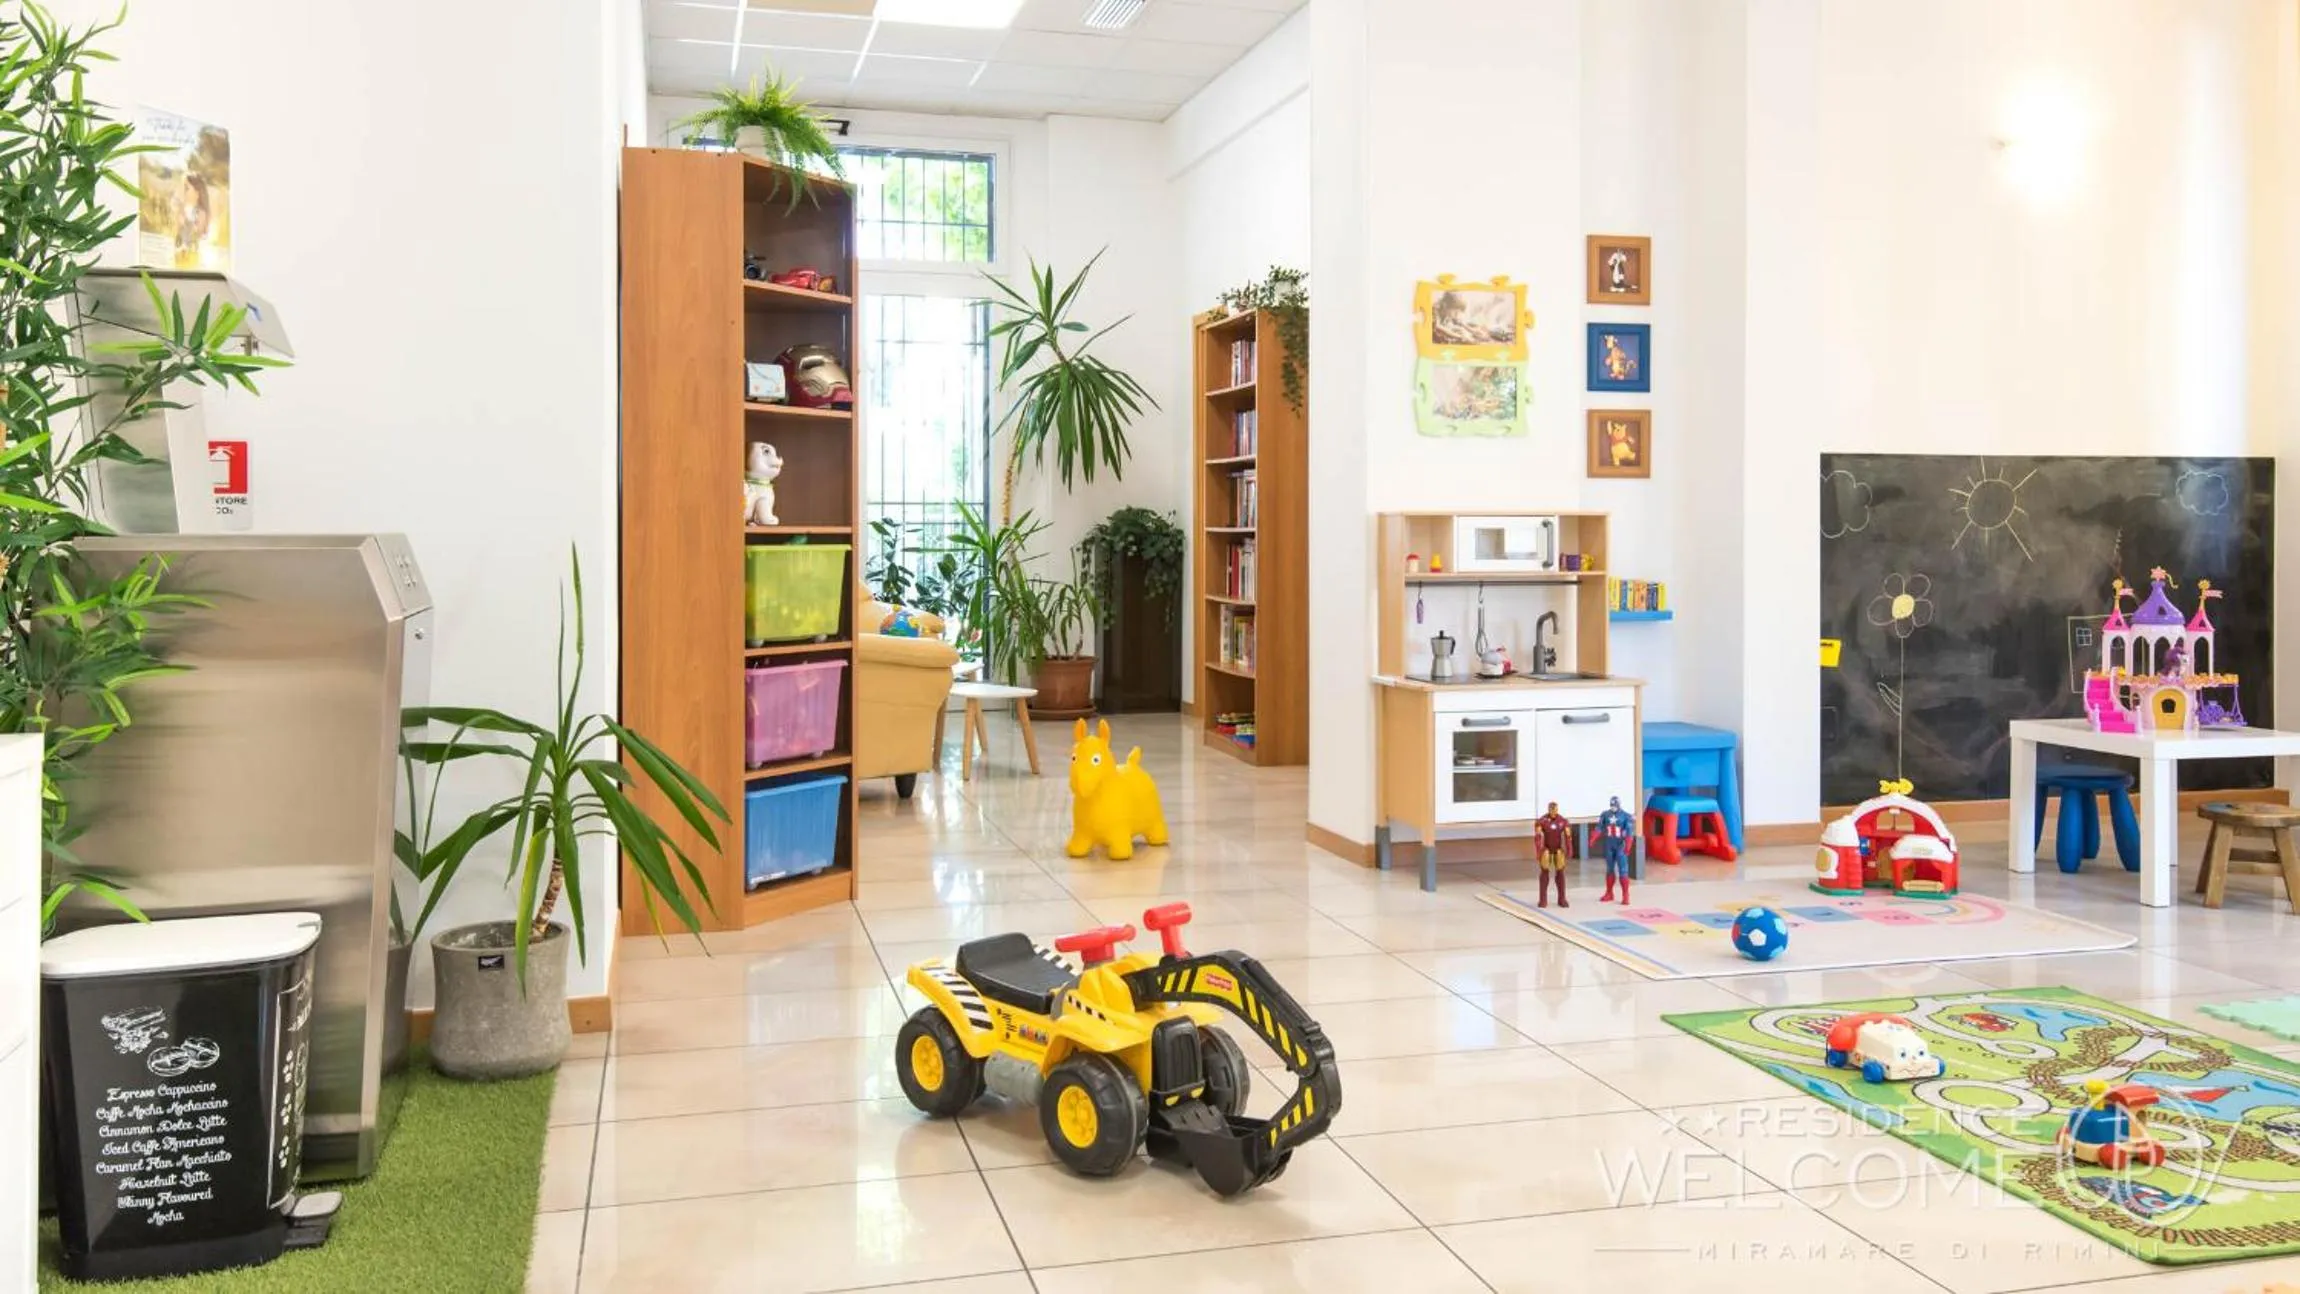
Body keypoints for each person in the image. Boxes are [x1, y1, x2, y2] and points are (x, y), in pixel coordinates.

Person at [1595, 795, 1637, 903]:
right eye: (1611, 805)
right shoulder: (1605, 814)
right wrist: (1593, 838)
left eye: (1614, 805)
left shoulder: (1626, 816)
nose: (1613, 807)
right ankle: (1609, 893)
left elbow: (1629, 832)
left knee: (1623, 870)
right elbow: (1599, 827)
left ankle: (1625, 895)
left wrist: (1628, 845)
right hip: (1609, 844)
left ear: (1618, 805)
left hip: (1620, 845)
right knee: (1609, 869)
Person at [1533, 802, 1572, 908]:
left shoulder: (1563, 821)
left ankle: (1562, 898)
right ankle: (1543, 899)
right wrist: (1538, 851)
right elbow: (1537, 837)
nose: (1553, 811)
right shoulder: (1542, 821)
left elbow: (1568, 837)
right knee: (1544, 871)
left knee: (1560, 872)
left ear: (1557, 809)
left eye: (1555, 809)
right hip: (1546, 849)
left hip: (1558, 849)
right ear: (1548, 809)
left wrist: (1569, 850)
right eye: (1551, 809)